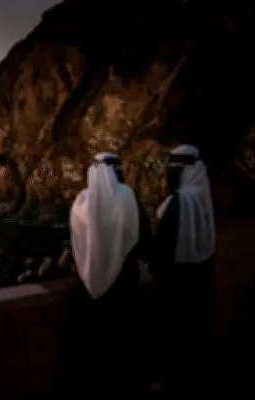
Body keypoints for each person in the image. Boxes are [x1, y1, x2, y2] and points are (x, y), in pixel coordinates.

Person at [68, 152, 151, 397]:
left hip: (87, 288)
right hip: (125, 285)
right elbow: (144, 238)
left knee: (94, 345)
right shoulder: (127, 198)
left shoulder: (81, 203)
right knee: (124, 342)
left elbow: (74, 244)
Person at [151, 144, 215, 397]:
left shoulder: (177, 203)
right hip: (201, 275)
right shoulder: (203, 197)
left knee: (174, 331)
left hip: (175, 280)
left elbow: (163, 245)